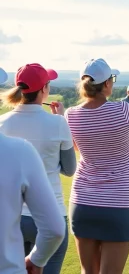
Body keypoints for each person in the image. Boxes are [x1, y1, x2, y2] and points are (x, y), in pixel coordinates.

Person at [65, 58, 129, 274]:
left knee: (87, 271)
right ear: (107, 84)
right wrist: (117, 147)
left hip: (82, 201)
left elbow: (76, 147)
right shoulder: (124, 110)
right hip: (119, 202)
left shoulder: (70, 114)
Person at [0, 63, 76, 274]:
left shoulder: (2, 123)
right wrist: (60, 118)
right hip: (51, 215)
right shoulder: (58, 123)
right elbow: (70, 169)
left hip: (12, 216)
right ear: (44, 89)